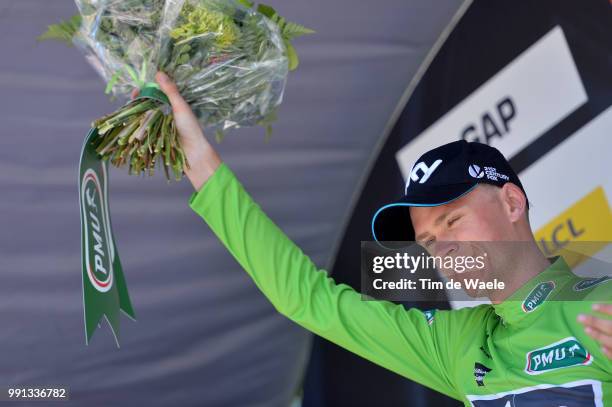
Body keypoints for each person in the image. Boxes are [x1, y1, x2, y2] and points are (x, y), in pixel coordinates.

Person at [152, 71, 612, 405]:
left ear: (512, 203)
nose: (444, 251)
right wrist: (200, 164)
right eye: (428, 241)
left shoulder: (603, 303)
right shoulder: (456, 345)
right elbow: (308, 300)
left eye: (451, 222)